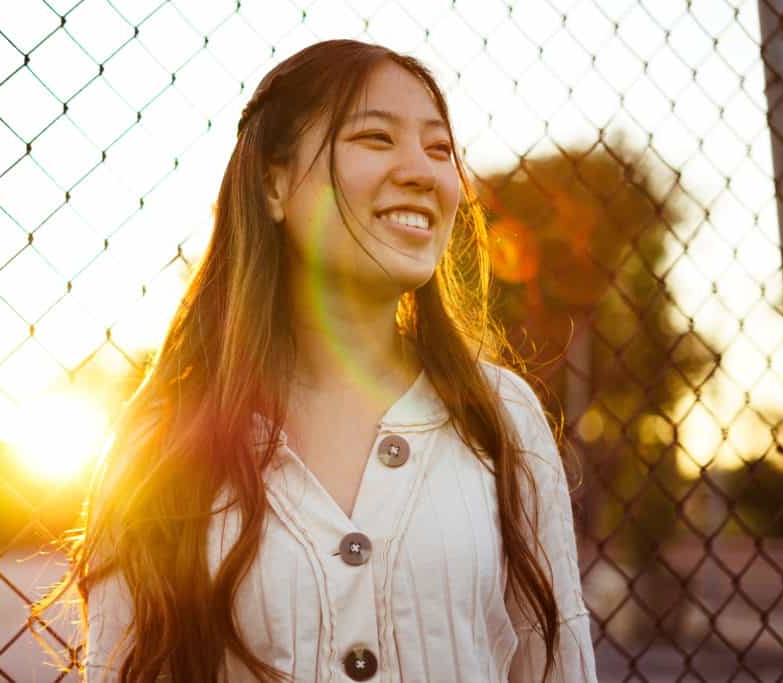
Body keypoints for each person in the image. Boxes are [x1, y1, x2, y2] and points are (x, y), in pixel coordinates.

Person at [31, 39, 598, 682]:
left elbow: (556, 667)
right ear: (274, 186)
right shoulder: (160, 439)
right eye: (376, 138)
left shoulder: (502, 417)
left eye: (440, 148)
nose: (425, 171)